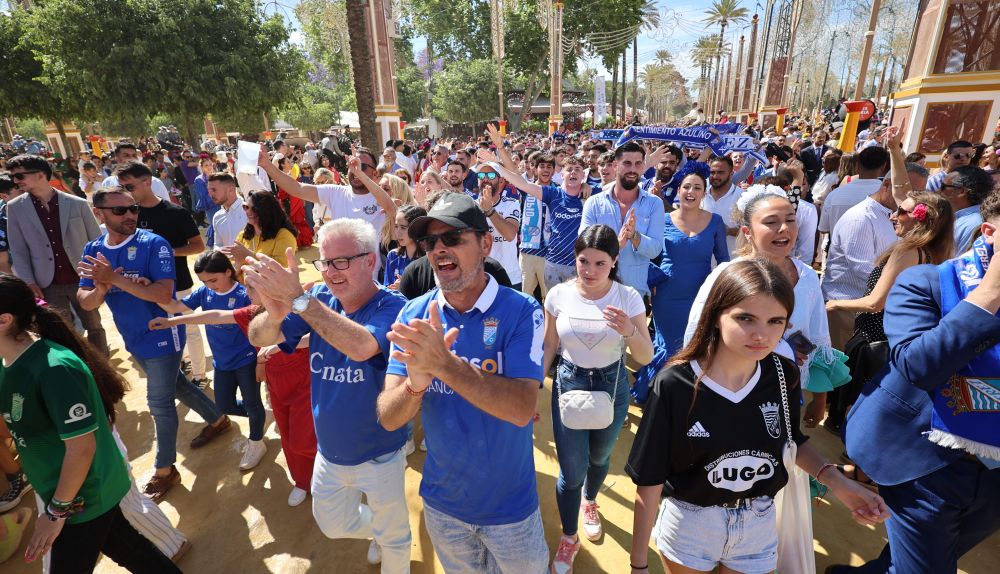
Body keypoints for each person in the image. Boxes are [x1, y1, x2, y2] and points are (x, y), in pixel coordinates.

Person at [628, 259, 889, 574]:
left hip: (758, 523)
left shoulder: (783, 374)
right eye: (746, 318)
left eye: (775, 321)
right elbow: (650, 478)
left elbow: (792, 442)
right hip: (691, 523)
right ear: (715, 316)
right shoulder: (675, 384)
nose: (761, 335)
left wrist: (839, 484)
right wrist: (638, 564)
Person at [377, 192, 549, 573]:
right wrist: (415, 386)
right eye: (430, 241)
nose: (438, 249)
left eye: (452, 238)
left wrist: (445, 365)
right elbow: (389, 418)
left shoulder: (522, 311)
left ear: (485, 244)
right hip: (443, 507)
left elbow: (522, 408)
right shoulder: (414, 312)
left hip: (510, 508)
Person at [834, 187, 1000, 574]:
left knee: (924, 558)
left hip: (992, 478)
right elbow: (919, 366)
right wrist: (989, 294)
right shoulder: (926, 282)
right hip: (923, 462)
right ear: (989, 234)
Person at [245, 220, 411, 573]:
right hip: (330, 451)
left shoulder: (394, 307)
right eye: (325, 262)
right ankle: (381, 531)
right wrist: (274, 315)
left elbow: (362, 346)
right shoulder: (318, 298)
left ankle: (389, 536)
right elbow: (258, 337)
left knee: (395, 541)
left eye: (342, 261)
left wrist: (299, 301)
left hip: (380, 452)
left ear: (370, 261)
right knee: (334, 524)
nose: (331, 272)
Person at [0, 274, 182, 573]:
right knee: (136, 554)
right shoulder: (8, 362)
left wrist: (55, 513)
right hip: (65, 492)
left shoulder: (53, 369)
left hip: (81, 498)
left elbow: (82, 448)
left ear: (4, 320)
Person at [77, 187, 228, 501]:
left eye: (133, 209)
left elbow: (162, 295)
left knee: (159, 402)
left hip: (163, 333)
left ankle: (165, 469)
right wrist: (101, 288)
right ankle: (218, 418)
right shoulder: (93, 250)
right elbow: (86, 301)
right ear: (98, 213)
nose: (130, 215)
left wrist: (115, 279)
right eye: (120, 211)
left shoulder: (153, 244)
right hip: (132, 337)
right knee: (178, 386)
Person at [544, 225, 653, 574]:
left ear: (614, 261)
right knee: (571, 472)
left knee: (600, 457)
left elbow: (646, 356)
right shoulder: (558, 295)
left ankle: (590, 501)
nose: (589, 271)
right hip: (568, 382)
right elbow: (548, 346)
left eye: (600, 263)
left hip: (612, 384)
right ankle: (569, 536)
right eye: (583, 261)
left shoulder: (628, 297)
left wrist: (630, 330)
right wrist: (532, 385)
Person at [685, 186, 840, 427]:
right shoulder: (726, 276)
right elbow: (698, 334)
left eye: (790, 220)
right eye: (771, 222)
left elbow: (818, 339)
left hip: (784, 391)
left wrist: (820, 399)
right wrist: (777, 349)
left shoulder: (807, 276)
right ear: (747, 231)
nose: (784, 229)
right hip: (728, 389)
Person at [147, 295, 316, 508]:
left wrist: (283, 344)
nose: (249, 293)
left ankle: (326, 475)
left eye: (255, 287)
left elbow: (320, 335)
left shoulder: (298, 307)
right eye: (249, 286)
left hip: (305, 383)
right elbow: (216, 316)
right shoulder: (252, 313)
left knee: (304, 440)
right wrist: (174, 321)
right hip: (277, 384)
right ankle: (302, 481)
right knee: (288, 437)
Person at [824, 191, 953, 434]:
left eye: (902, 211)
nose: (893, 216)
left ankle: (856, 464)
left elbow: (875, 303)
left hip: (873, 341)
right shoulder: (936, 252)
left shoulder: (907, 251)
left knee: (856, 410)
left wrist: (834, 305)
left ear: (922, 219)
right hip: (897, 342)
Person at [153, 251, 266, 471]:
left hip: (247, 360)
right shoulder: (204, 293)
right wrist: (149, 289)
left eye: (213, 280)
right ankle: (258, 417)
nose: (209, 285)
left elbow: (262, 327)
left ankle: (256, 441)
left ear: (228, 272)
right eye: (204, 281)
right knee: (224, 405)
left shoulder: (245, 294)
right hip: (222, 363)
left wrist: (262, 361)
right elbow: (176, 307)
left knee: (252, 402)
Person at [116, 161, 210, 388]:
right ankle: (183, 363)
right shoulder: (129, 216)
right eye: (122, 188)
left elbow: (198, 246)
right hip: (144, 286)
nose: (126, 193)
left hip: (178, 282)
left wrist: (165, 253)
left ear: (147, 182)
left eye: (129, 187)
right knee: (162, 328)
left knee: (189, 326)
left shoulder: (175, 213)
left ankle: (200, 375)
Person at [3, 155, 109, 355]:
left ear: (41, 174)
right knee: (61, 332)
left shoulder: (77, 203)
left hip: (82, 279)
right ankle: (77, 369)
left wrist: (99, 275)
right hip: (46, 284)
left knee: (95, 327)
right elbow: (18, 249)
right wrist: (28, 281)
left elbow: (97, 242)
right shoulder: (15, 208)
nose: (15, 181)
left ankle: (103, 371)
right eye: (13, 177)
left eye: (19, 176)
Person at [650, 167, 730, 360]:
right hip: (666, 295)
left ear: (704, 193)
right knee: (668, 348)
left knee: (694, 348)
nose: (691, 192)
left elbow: (724, 262)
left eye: (697, 187)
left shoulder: (716, 221)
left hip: (701, 296)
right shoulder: (663, 219)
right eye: (686, 187)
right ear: (678, 191)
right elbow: (651, 256)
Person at [580, 142, 666, 298]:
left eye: (638, 164)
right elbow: (583, 245)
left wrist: (635, 236)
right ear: (615, 165)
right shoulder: (593, 203)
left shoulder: (654, 204)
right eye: (627, 163)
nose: (633, 169)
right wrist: (615, 245)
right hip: (597, 291)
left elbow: (655, 250)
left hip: (635, 294)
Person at [819, 146, 890, 241]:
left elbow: (824, 229)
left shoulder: (834, 195)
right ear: (883, 166)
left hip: (837, 252)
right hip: (875, 254)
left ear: (858, 165)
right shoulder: (888, 195)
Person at [224, 190, 298, 280]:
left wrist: (249, 255)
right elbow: (235, 269)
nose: (248, 212)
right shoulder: (243, 235)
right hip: (246, 290)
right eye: (246, 207)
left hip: (275, 291)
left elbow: (281, 268)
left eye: (254, 209)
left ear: (267, 211)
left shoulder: (284, 235)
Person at [940, 165, 994, 253]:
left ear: (961, 191)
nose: (939, 190)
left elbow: (959, 264)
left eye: (943, 186)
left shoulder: (973, 224)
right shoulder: (968, 219)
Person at [102, 143, 171, 202]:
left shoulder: (154, 182)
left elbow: (167, 209)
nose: (131, 159)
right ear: (116, 158)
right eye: (126, 155)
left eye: (134, 155)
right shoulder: (108, 182)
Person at [383, 205, 426, 290]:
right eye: (396, 226)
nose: (397, 233)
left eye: (403, 228)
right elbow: (386, 290)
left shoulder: (427, 259)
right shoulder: (393, 256)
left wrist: (404, 287)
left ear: (416, 229)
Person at [208, 172, 247, 248]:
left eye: (214, 190)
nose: (211, 194)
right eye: (209, 191)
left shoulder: (249, 212)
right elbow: (218, 244)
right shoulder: (217, 217)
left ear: (231, 190)